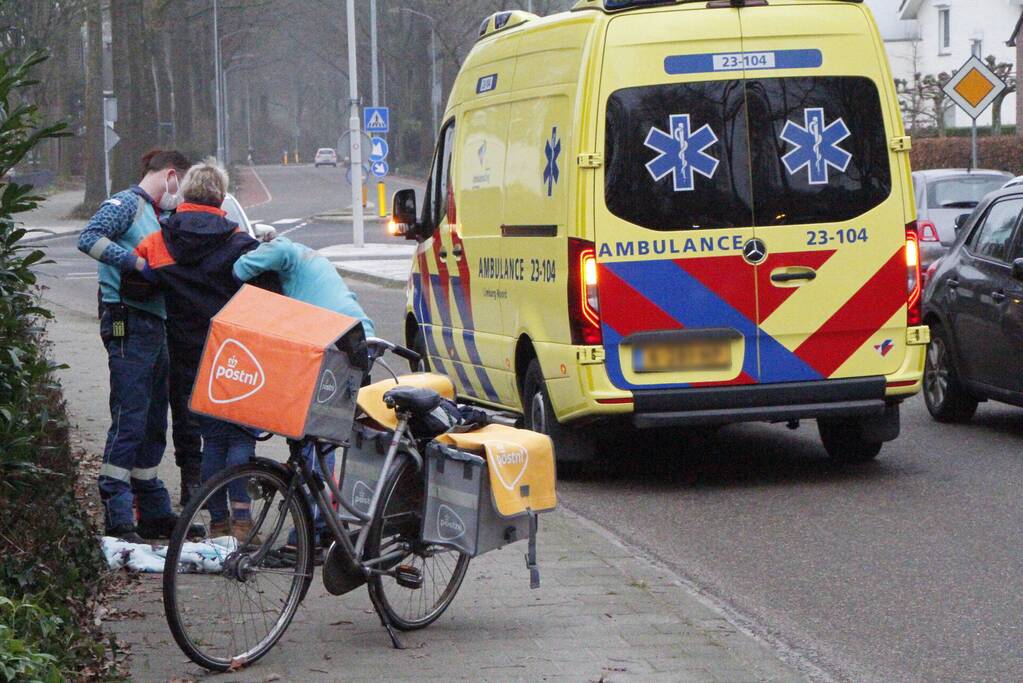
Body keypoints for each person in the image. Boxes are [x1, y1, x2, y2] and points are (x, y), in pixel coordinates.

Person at [135, 158, 276, 543]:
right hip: (237, 355)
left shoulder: (158, 241)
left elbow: (137, 285)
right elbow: (270, 296)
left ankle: (217, 522)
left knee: (211, 439)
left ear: (186, 194)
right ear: (219, 199)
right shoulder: (242, 246)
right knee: (241, 437)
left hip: (188, 356)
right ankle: (243, 521)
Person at [78, 149, 192, 543]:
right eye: (183, 186)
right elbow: (88, 238)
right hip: (128, 319)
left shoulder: (160, 216)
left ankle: (154, 511)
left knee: (152, 420)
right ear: (171, 175)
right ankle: (118, 513)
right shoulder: (127, 204)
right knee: (130, 417)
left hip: (154, 323)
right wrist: (135, 264)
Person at [233, 235, 374, 551]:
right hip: (343, 343)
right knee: (316, 444)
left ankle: (306, 537)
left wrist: (254, 251)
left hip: (345, 345)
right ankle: (320, 529)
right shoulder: (305, 266)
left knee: (315, 442)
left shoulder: (285, 250)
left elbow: (238, 269)